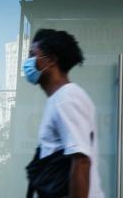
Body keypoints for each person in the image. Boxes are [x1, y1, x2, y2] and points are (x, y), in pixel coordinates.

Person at [23, 29, 104, 198]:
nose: (28, 62)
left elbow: (81, 160)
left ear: (51, 60)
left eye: (33, 55)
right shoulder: (59, 99)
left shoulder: (67, 98)